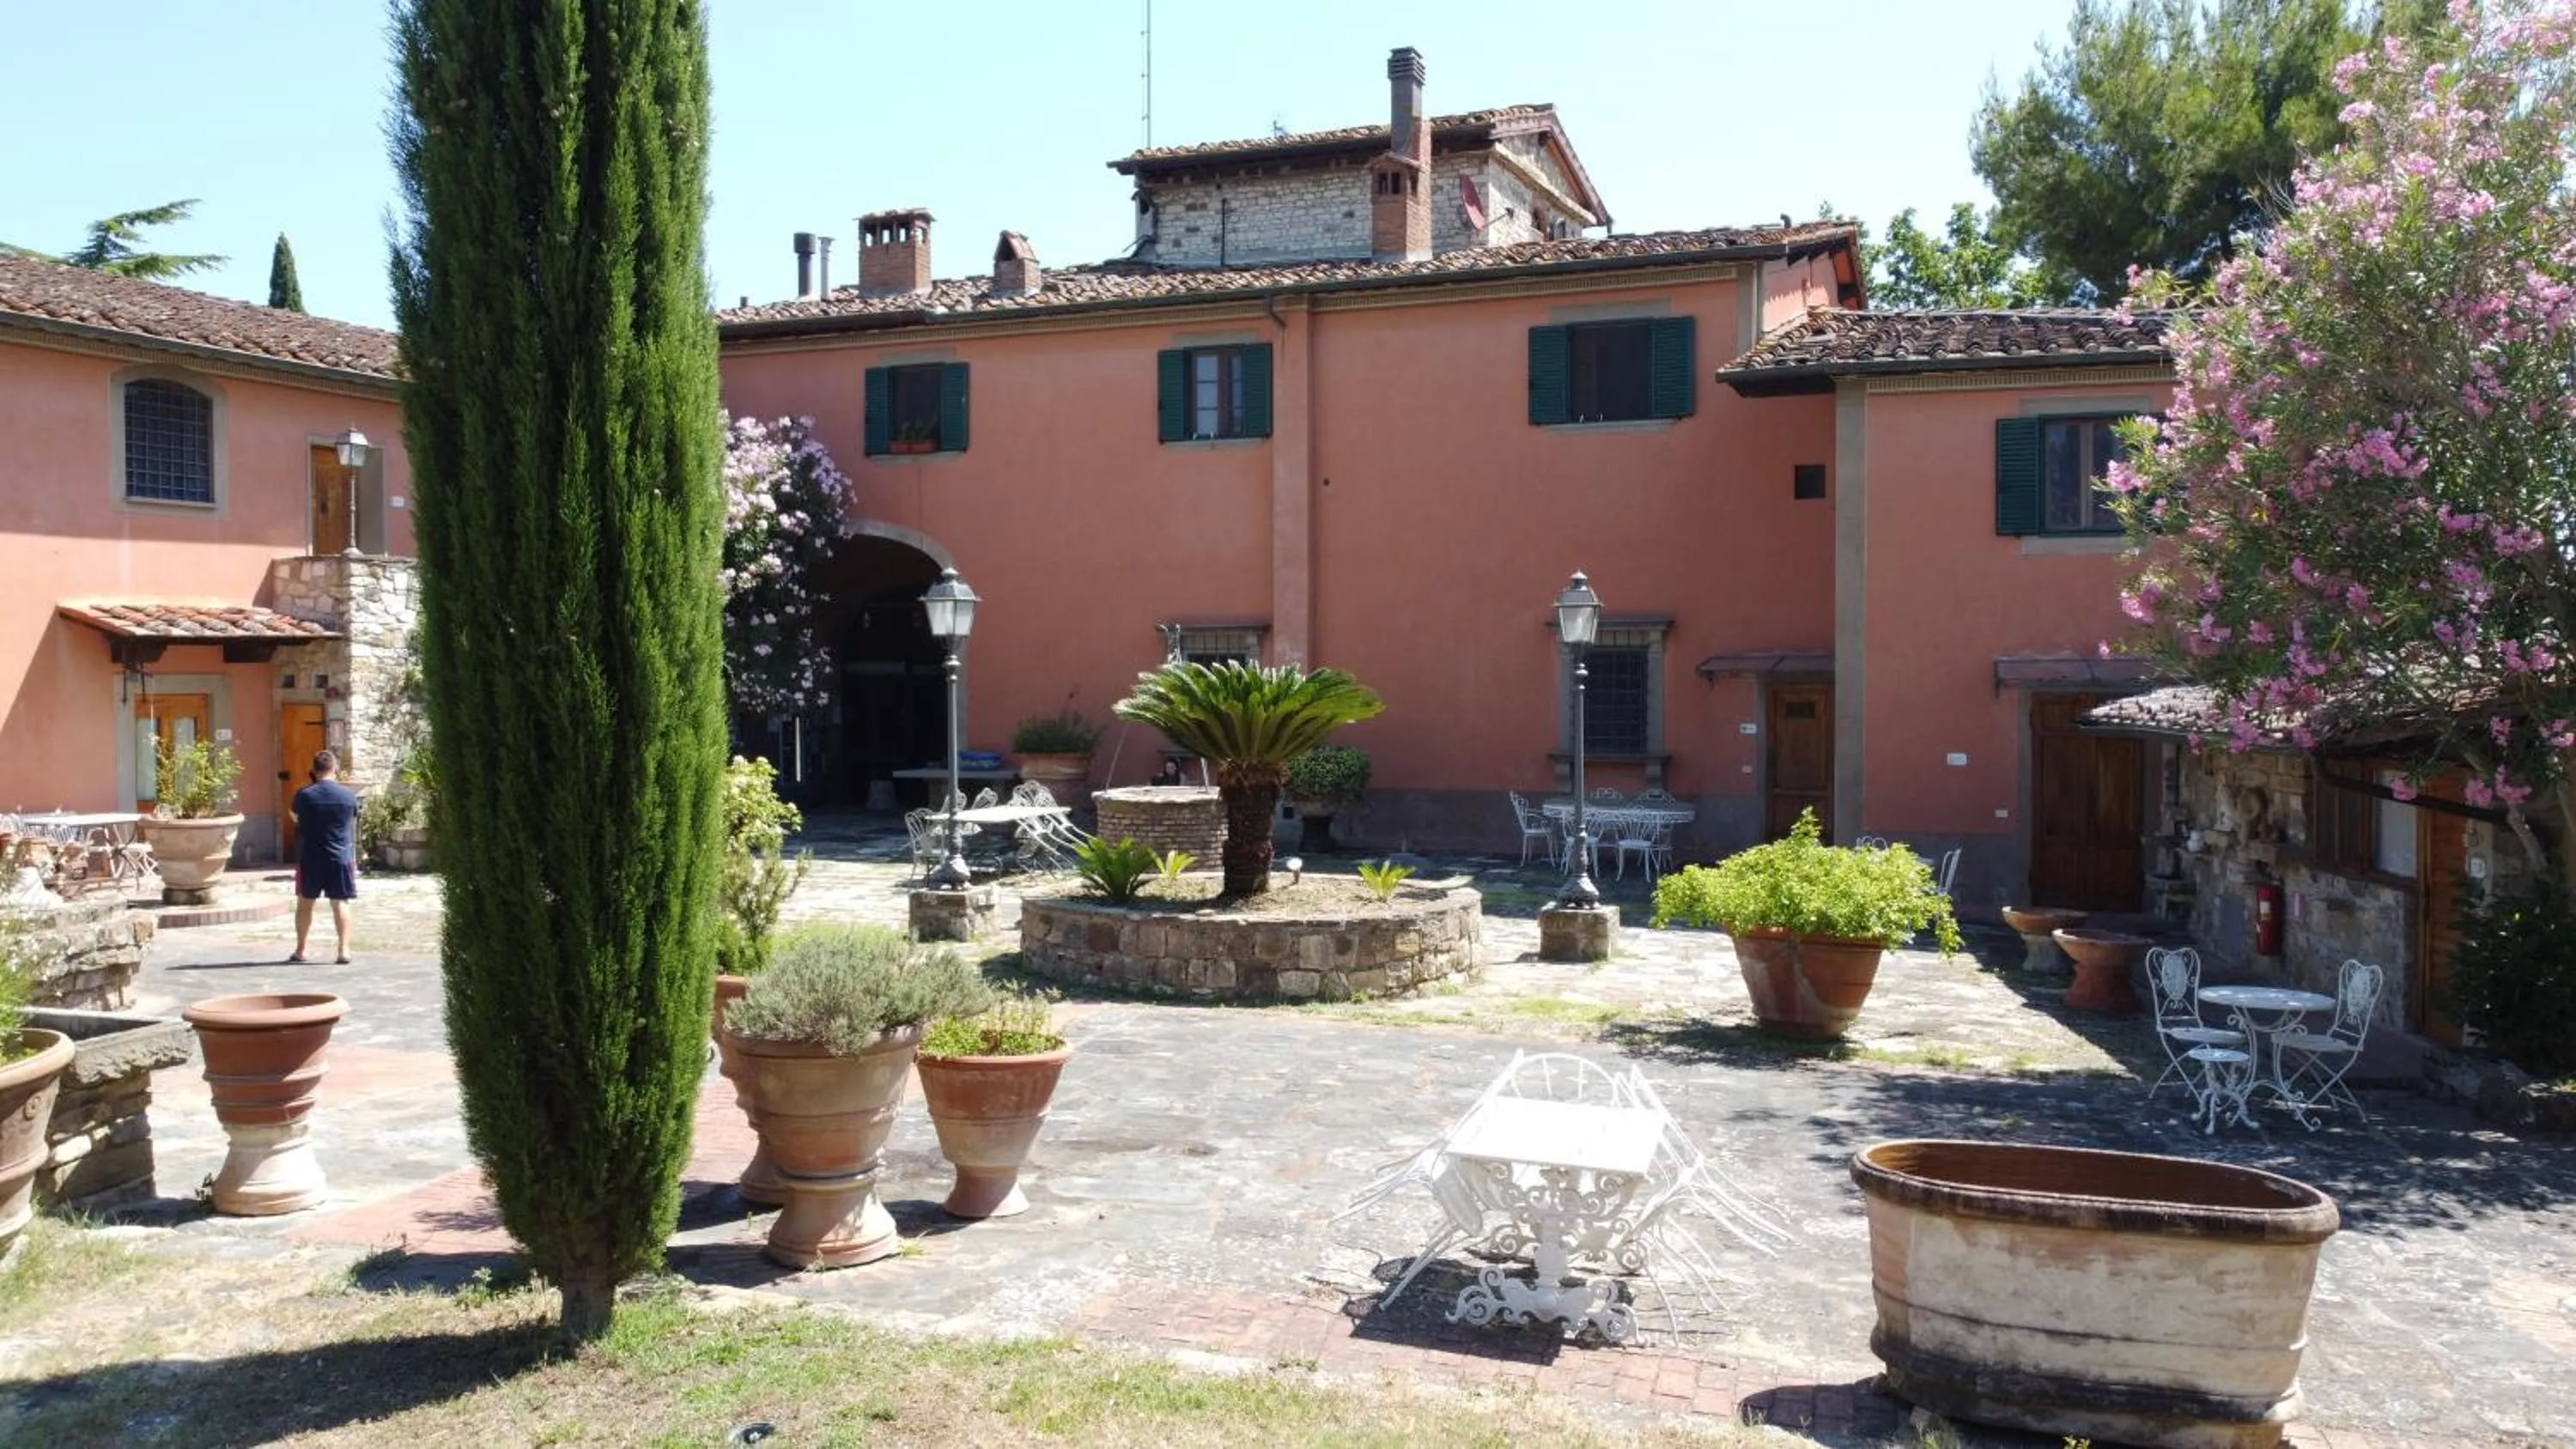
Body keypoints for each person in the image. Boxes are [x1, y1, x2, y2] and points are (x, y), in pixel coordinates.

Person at [289, 749, 361, 964]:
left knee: (305, 903)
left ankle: (301, 950)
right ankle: (344, 950)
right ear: (334, 768)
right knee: (340, 903)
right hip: (340, 857)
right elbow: (353, 819)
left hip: (311, 857)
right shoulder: (348, 796)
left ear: (314, 770)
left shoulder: (304, 795)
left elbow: (294, 817)